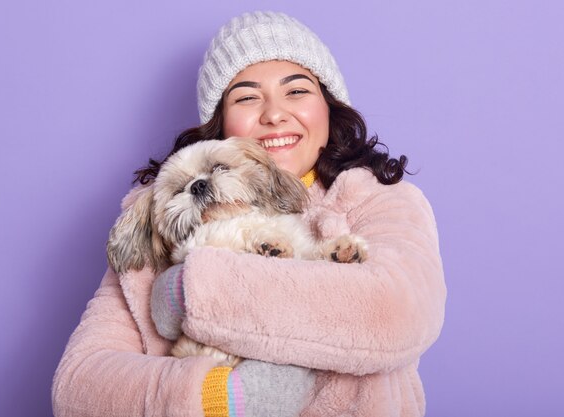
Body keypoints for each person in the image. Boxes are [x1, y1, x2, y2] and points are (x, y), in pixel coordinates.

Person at [52, 11, 446, 417]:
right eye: (246, 96)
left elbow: (392, 317)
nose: (274, 113)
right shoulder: (161, 216)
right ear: (220, 123)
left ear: (329, 108)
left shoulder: (380, 201)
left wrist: (184, 291)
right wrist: (216, 398)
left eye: (296, 91)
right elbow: (79, 385)